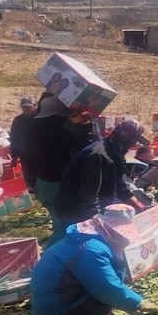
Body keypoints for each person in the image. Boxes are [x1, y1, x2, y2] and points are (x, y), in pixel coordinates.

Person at [30, 211, 158, 315]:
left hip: (50, 310)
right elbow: (107, 288)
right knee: (105, 287)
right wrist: (139, 303)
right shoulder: (91, 249)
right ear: (111, 231)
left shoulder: (86, 238)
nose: (125, 241)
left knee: (111, 276)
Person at [53, 119, 152, 229]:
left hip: (89, 205)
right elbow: (88, 196)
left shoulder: (116, 151)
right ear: (127, 139)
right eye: (134, 140)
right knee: (74, 241)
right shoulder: (97, 156)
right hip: (74, 209)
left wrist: (137, 203)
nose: (134, 144)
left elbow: (119, 184)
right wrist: (98, 223)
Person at [27, 95, 100, 242]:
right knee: (65, 230)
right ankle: (50, 262)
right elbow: (89, 147)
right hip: (59, 184)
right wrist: (86, 124)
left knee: (59, 223)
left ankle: (58, 259)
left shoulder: (33, 126)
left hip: (42, 183)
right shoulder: (61, 128)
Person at [8, 96, 40, 193]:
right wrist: (14, 155)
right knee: (28, 172)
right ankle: (32, 189)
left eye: (28, 107)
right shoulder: (18, 120)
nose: (26, 109)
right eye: (23, 107)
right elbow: (14, 137)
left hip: (39, 151)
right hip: (25, 152)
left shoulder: (40, 118)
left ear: (35, 106)